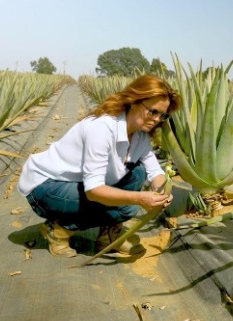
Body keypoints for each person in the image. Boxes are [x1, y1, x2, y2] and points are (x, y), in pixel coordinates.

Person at [17, 75, 181, 258]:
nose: (157, 119)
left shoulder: (140, 136)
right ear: (134, 102)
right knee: (126, 208)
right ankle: (57, 231)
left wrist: (161, 192)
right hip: (46, 186)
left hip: (77, 183)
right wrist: (139, 198)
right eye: (153, 111)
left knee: (138, 173)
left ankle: (108, 237)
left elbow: (154, 171)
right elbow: (93, 191)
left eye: (163, 115)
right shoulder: (102, 129)